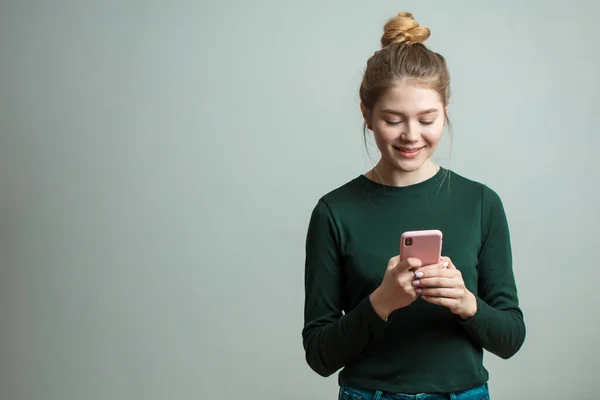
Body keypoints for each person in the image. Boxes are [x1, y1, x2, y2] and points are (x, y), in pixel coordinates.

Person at [301, 11, 525, 400]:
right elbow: (319, 355)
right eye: (393, 119)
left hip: (465, 394)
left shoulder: (481, 203)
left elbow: (510, 338)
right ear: (367, 115)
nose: (411, 135)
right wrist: (381, 303)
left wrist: (466, 302)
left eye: (427, 119)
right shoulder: (334, 212)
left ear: (445, 113)